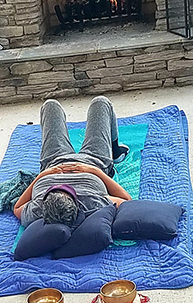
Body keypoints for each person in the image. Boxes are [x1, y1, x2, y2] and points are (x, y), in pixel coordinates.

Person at [13, 96, 132, 227]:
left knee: (50, 105)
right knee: (101, 103)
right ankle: (115, 151)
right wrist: (94, 171)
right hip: (93, 162)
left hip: (53, 162)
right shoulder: (93, 203)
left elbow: (17, 208)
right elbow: (126, 201)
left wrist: (42, 175)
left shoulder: (36, 210)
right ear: (76, 201)